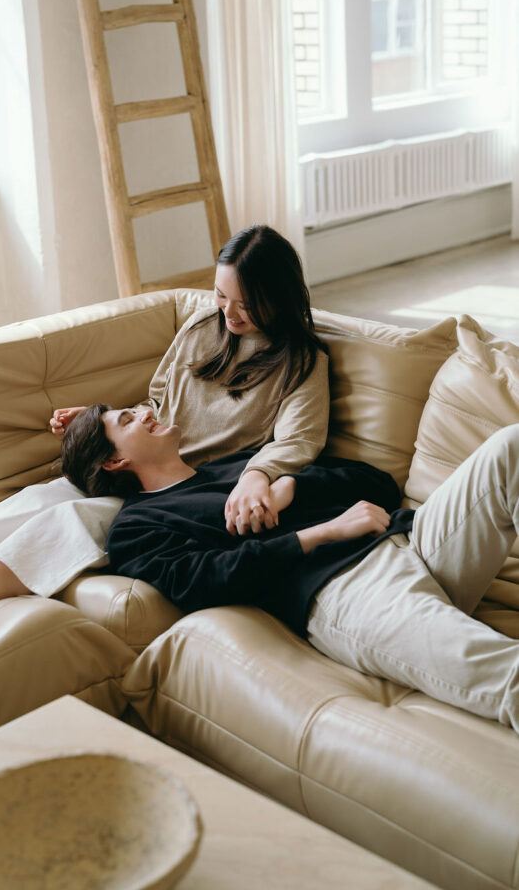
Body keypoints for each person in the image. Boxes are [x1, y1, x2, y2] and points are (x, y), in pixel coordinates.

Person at [60, 404, 519, 732]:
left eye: (137, 408)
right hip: (344, 591)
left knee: (510, 446)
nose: (144, 411)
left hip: (415, 538)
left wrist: (289, 487)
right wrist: (322, 533)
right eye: (127, 420)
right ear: (116, 461)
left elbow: (377, 483)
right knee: (508, 677)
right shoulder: (137, 526)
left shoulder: (243, 467)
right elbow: (203, 581)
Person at [50, 225, 330, 538]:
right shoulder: (202, 326)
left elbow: (298, 439)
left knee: (70, 524)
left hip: (191, 491)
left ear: (280, 297)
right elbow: (158, 403)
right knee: (42, 501)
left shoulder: (302, 362)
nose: (229, 312)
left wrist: (258, 474)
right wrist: (96, 426)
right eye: (221, 295)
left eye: (247, 304)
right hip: (140, 472)